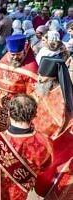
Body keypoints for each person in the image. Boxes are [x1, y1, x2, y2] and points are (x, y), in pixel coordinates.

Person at [0, 94, 52, 200]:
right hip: (18, 196)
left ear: (8, 113)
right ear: (34, 115)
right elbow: (44, 167)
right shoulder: (45, 143)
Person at [32, 56, 73, 199]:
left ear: (53, 78)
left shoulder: (61, 98)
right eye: (39, 75)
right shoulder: (44, 87)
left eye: (43, 77)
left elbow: (58, 124)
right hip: (36, 135)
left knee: (47, 174)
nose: (39, 79)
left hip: (51, 141)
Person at [0, 34, 38, 133]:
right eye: (12, 54)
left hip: (19, 105)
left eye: (18, 54)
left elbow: (34, 93)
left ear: (24, 51)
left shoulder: (32, 67)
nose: (15, 57)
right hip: (1, 103)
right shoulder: (6, 59)